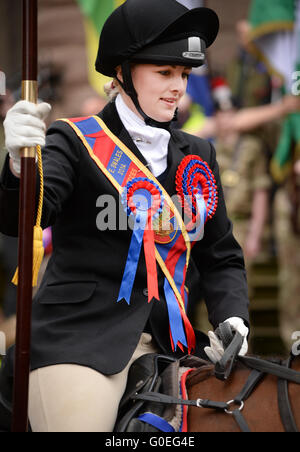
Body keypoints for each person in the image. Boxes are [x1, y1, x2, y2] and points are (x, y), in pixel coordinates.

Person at [0, 0, 250, 432]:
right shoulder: (73, 140)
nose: (178, 88)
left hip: (173, 348)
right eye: (164, 73)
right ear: (122, 73)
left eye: (184, 75)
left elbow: (220, 254)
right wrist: (19, 167)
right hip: (78, 342)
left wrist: (232, 315)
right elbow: (22, 215)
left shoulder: (199, 153)